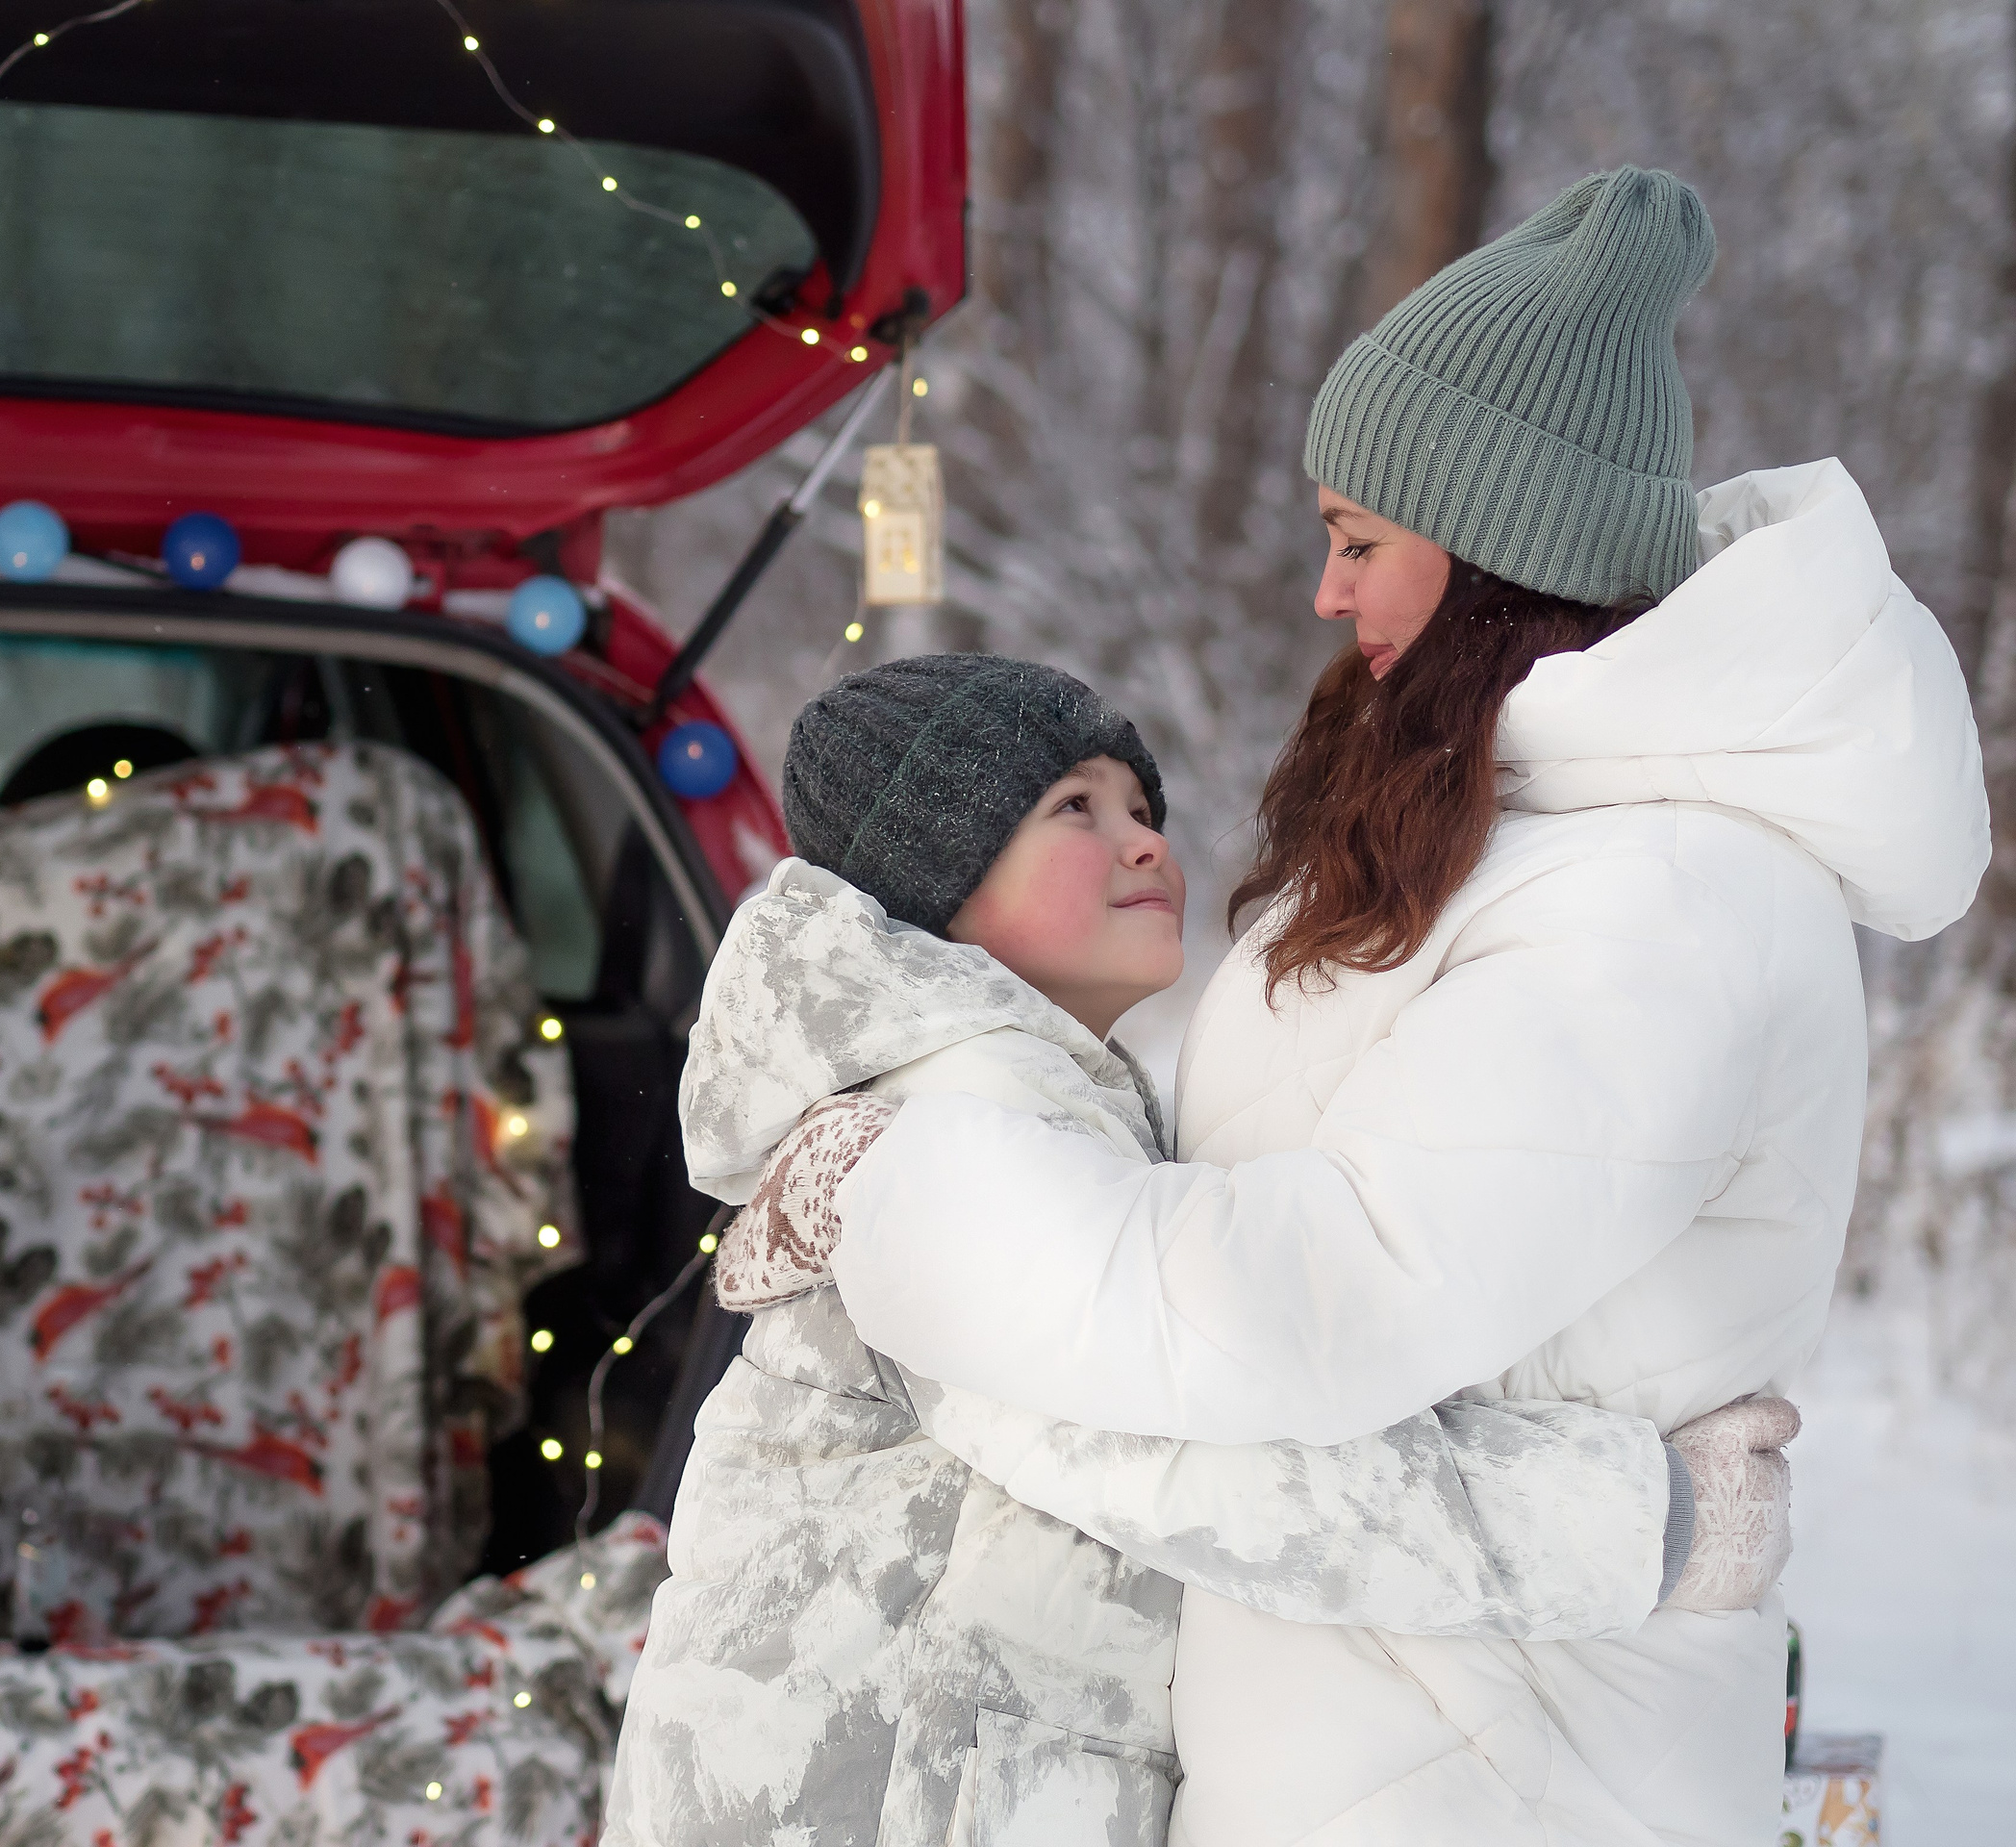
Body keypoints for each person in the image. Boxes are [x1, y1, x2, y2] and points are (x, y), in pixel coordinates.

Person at [732, 167, 1991, 1844]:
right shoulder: (1500, 843)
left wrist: (892, 1204)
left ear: (1499, 556)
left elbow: (1295, 1306)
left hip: (1509, 1784)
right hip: (1363, 1748)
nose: (1326, 595)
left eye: (1359, 543)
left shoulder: (1667, 902)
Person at [603, 655, 1797, 1847]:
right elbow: (1163, 1455)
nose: (1145, 845)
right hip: (856, 1791)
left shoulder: (1030, 1102)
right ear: (933, 871)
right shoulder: (947, 1127)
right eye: (1075, 807)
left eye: (1143, 808)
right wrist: (1642, 1520)